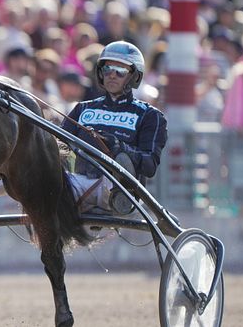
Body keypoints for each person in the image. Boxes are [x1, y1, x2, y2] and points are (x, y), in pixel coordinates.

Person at [61, 41, 168, 214]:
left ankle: (121, 195)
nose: (112, 75)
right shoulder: (82, 109)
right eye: (107, 69)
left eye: (120, 71)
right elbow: (59, 144)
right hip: (79, 182)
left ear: (134, 76)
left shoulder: (150, 115)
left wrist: (120, 148)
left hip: (117, 188)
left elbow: (150, 166)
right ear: (100, 73)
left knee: (119, 165)